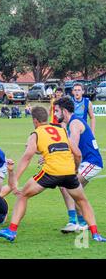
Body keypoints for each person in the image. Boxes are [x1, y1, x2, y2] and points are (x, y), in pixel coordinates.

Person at [0, 106, 106, 242]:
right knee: (82, 200)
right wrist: (74, 169)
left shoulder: (36, 133)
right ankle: (96, 234)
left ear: (35, 120)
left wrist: (16, 179)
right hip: (68, 171)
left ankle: (11, 231)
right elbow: (78, 154)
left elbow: (27, 156)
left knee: (23, 195)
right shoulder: (61, 130)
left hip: (51, 172)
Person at [54, 97, 104, 233]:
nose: (54, 114)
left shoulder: (74, 123)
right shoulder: (71, 123)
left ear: (64, 111)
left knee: (70, 186)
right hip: (85, 161)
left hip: (92, 162)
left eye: (56, 111)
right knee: (69, 188)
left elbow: (73, 148)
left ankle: (76, 222)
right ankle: (80, 222)